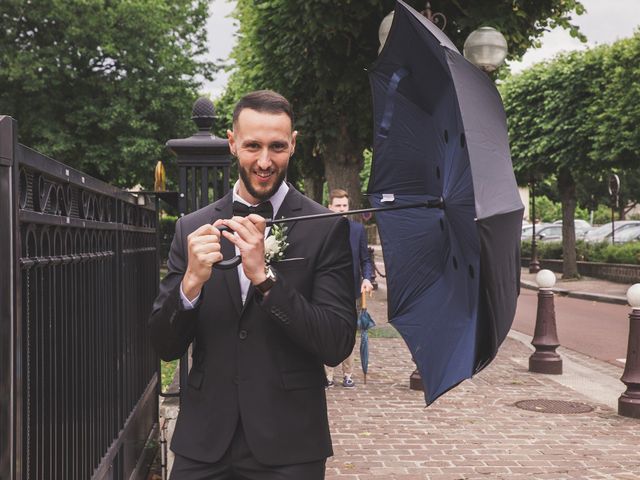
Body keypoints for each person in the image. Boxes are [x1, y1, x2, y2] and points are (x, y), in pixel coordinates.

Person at [149, 90, 356, 479]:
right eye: (252, 146)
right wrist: (190, 283)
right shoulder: (191, 229)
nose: (264, 161)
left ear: (293, 145)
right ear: (232, 143)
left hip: (290, 445)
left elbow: (336, 343)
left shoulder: (325, 229)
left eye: (277, 147)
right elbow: (165, 345)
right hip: (203, 444)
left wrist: (265, 280)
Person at [324, 189, 374, 389]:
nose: (342, 209)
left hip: (351, 289)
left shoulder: (357, 230)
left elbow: (365, 259)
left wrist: (367, 278)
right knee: (327, 330)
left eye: (344, 206)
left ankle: (348, 374)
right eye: (338, 205)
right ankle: (328, 375)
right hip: (327, 289)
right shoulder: (322, 228)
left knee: (349, 332)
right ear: (330, 207)